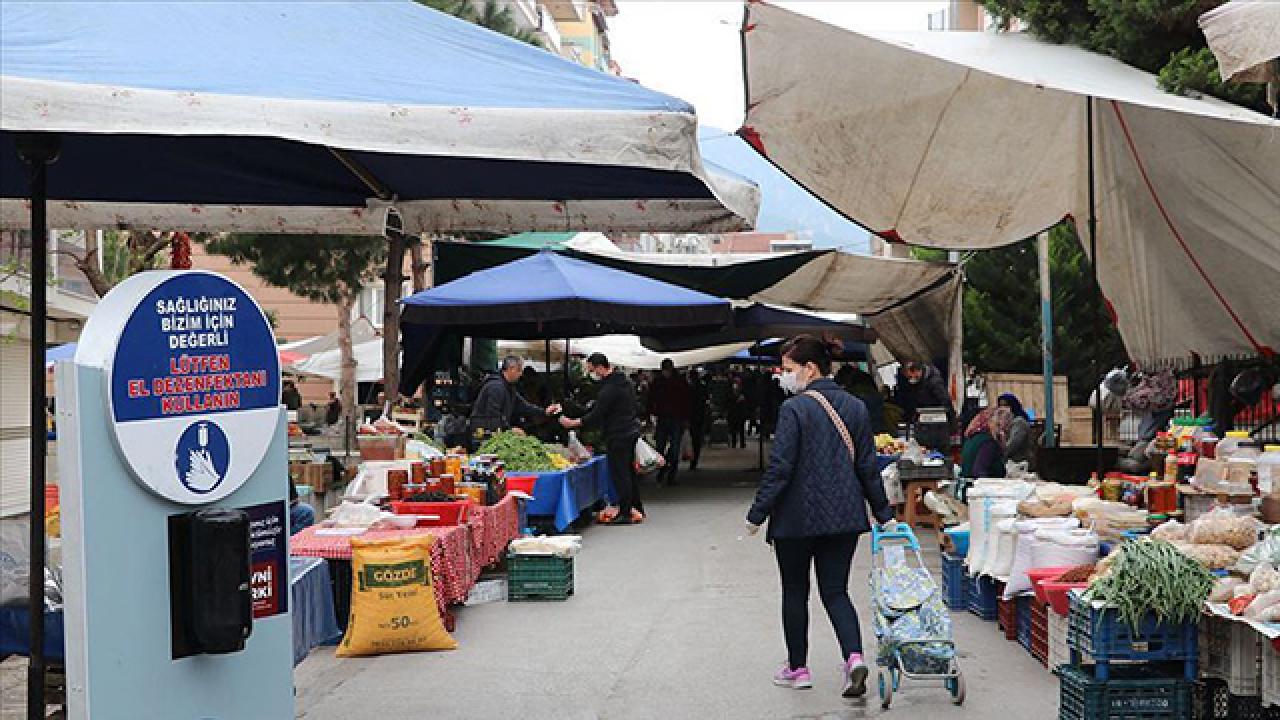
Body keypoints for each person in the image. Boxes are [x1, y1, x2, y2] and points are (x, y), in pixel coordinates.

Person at [746, 336, 896, 698]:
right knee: (837, 592)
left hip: (796, 521)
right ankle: (854, 658)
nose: (784, 376)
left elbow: (781, 469)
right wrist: (883, 513)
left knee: (795, 592)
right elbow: (867, 467)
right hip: (844, 518)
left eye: (788, 369)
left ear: (810, 368)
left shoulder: (794, 410)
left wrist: (757, 513)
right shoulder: (856, 408)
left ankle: (798, 670)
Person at [560, 353, 645, 525]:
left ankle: (625, 512)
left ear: (600, 367)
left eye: (592, 370)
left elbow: (598, 414)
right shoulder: (625, 383)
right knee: (628, 471)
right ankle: (636, 507)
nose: (593, 374)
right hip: (629, 431)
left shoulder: (610, 388)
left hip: (618, 433)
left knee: (620, 473)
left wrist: (575, 423)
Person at [468, 356, 560, 442]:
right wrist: (510, 430)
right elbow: (493, 415)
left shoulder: (509, 387)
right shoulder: (496, 387)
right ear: (511, 369)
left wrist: (544, 412)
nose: (521, 374)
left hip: (495, 432)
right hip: (483, 433)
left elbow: (523, 406)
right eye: (519, 370)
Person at [648, 358, 691, 485]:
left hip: (674, 418)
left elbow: (686, 401)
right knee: (662, 447)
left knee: (673, 448)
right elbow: (651, 399)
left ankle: (670, 473)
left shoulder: (676, 383)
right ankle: (663, 471)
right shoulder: (660, 382)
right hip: (666, 417)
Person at [959, 406, 1013, 479]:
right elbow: (979, 471)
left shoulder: (973, 437)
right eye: (998, 425)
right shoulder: (988, 443)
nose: (1002, 431)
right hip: (978, 487)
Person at [896, 360, 954, 428]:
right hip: (924, 418)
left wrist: (950, 420)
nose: (910, 380)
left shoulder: (934, 382)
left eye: (910, 377)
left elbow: (945, 400)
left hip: (936, 419)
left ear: (916, 371)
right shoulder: (918, 382)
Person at [998, 393, 1033, 465]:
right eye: (1000, 405)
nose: (1002, 408)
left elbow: (1012, 446)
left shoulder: (1019, 423)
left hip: (1020, 463)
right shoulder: (1004, 422)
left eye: (1006, 405)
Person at [687, 369, 709, 471]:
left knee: (692, 438)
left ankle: (692, 459)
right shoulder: (702, 387)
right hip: (700, 416)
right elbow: (706, 399)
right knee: (697, 439)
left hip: (691, 416)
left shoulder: (689, 388)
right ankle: (694, 460)